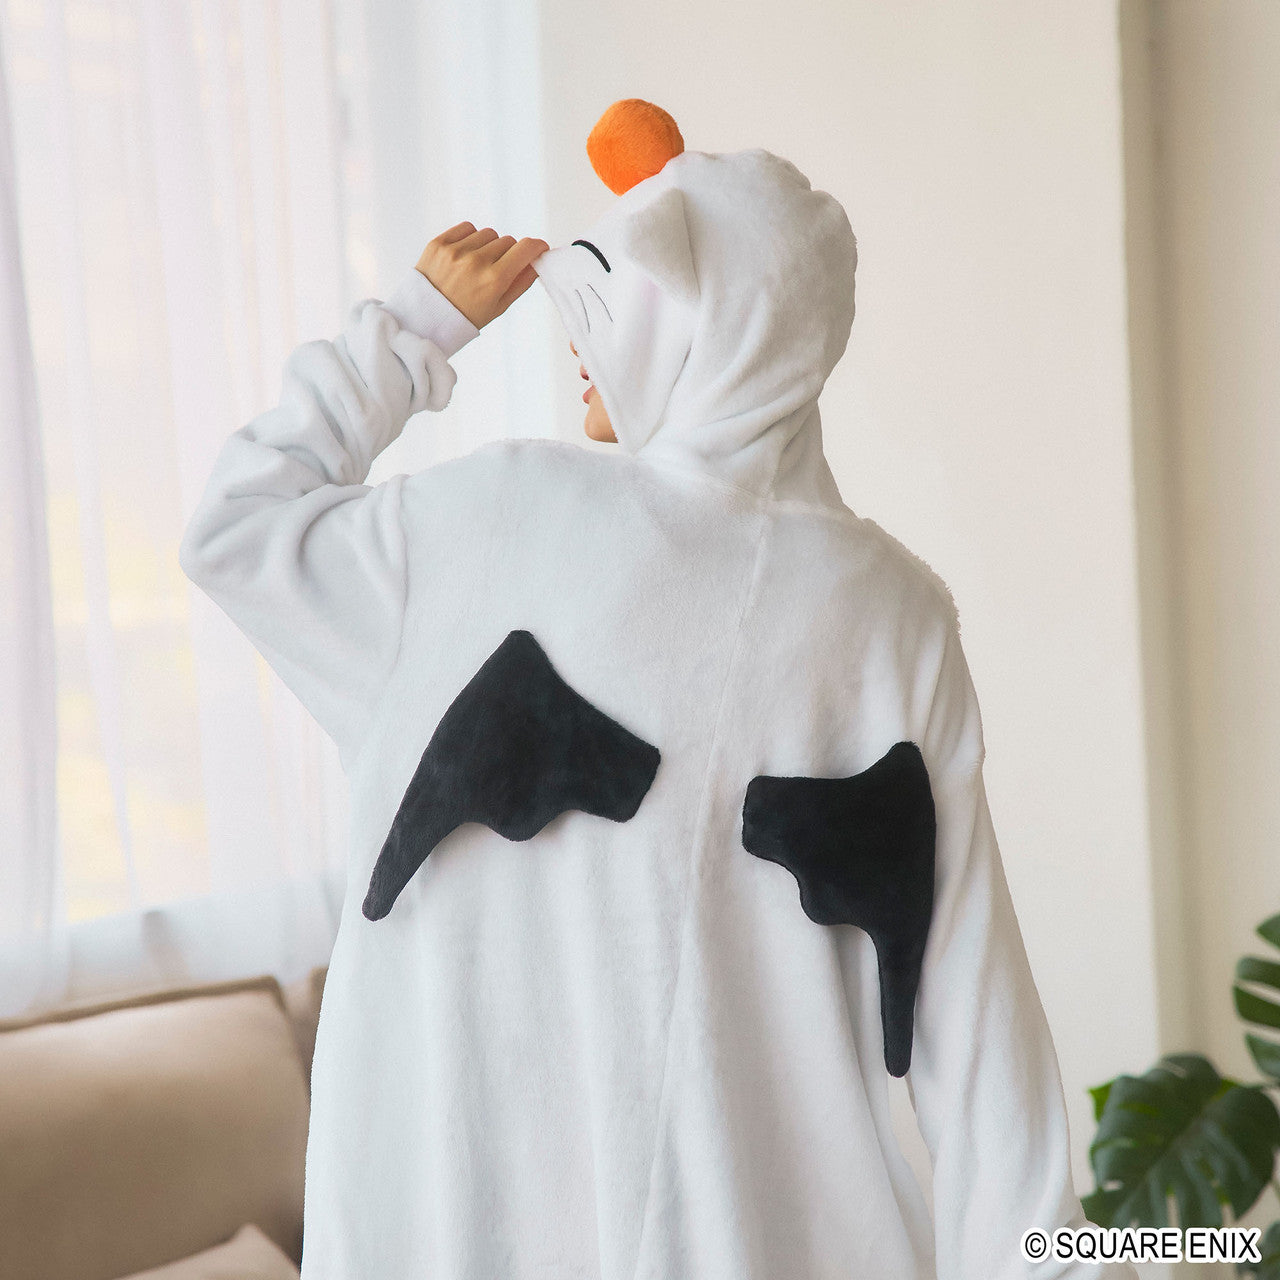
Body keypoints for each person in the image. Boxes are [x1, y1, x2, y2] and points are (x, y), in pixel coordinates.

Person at [180, 99, 1136, 1280]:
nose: (575, 342)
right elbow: (977, 1035)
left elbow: (236, 527)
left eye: (615, 302)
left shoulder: (496, 522)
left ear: (694, 314)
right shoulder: (892, 613)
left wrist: (414, 329)